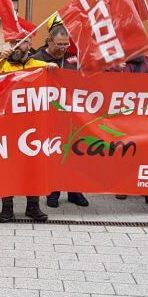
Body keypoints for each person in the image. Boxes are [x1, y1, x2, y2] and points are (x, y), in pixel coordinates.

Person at [0, 34, 56, 222]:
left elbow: (56, 77)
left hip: (32, 127)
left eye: (21, 42)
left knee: (32, 166)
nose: (16, 46)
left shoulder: (37, 65)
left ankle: (33, 207)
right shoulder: (3, 65)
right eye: (13, 42)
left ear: (29, 44)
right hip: (7, 126)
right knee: (8, 167)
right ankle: (6, 208)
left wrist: (54, 68)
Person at [31, 21, 91, 209]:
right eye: (60, 44)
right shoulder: (37, 58)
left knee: (74, 155)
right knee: (53, 156)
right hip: (47, 117)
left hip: (72, 117)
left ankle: (74, 191)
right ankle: (53, 192)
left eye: (66, 44)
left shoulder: (74, 59)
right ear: (49, 41)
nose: (64, 48)